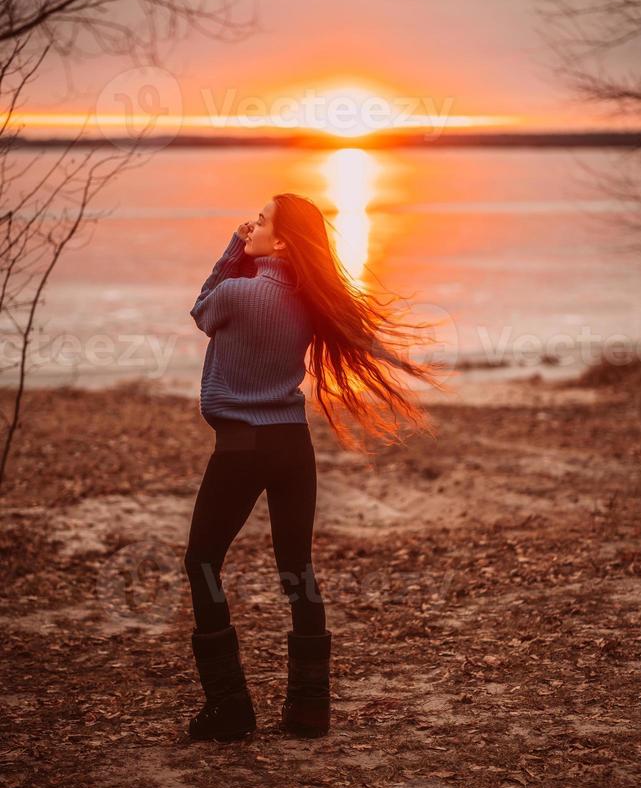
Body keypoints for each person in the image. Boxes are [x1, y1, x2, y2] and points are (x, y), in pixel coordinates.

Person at [185, 191, 449, 743]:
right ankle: (308, 712)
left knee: (203, 561)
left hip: (240, 446)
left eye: (260, 222)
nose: (251, 225)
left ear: (279, 240)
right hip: (292, 446)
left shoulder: (236, 291)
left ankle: (230, 708)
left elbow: (201, 309)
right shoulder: (312, 300)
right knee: (295, 570)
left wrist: (233, 248)